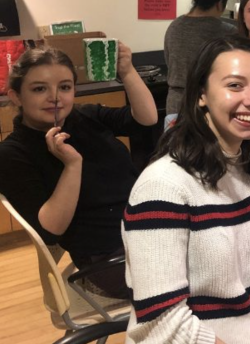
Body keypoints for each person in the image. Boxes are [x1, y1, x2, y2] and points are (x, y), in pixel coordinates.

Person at [123, 35, 250, 344]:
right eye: (235, 86)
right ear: (201, 94)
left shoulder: (249, 171)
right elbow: (162, 324)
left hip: (245, 343)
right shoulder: (163, 186)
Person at [0, 45, 157, 298]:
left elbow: (146, 119)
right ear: (16, 96)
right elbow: (51, 230)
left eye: (64, 87)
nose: (55, 97)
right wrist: (72, 166)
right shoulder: (12, 153)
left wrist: (127, 72)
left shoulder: (85, 117)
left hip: (147, 235)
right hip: (108, 261)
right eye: (39, 89)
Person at [164, 0, 236, 127]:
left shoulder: (174, 26)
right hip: (209, 105)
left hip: (176, 104)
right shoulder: (227, 31)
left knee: (176, 151)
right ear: (220, 4)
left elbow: (169, 62)